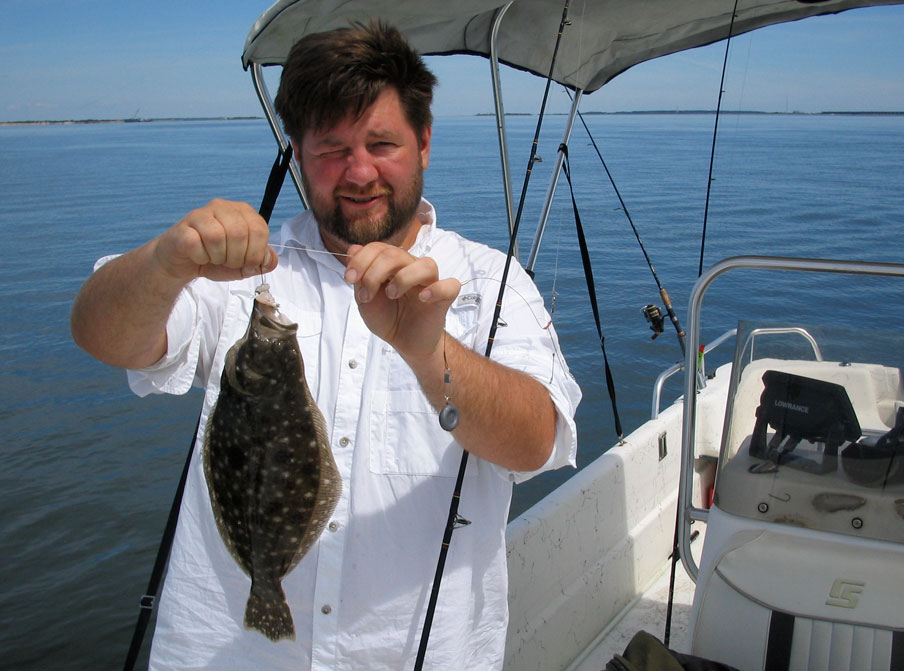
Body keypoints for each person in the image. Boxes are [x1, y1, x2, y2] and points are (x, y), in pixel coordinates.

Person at [71, 21, 580, 671]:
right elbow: (101, 334)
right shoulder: (244, 277)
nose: (359, 171)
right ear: (297, 151)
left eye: (382, 143)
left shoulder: (490, 281)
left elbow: (537, 440)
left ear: (424, 142)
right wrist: (166, 262)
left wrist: (430, 353)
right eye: (332, 148)